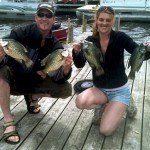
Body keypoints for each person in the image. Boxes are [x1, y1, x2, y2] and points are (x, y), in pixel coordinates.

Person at [0, 2, 73, 144]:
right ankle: (8, 121)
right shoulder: (18, 34)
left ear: (53, 20)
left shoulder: (56, 45)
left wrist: (65, 69)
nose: (44, 18)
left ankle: (33, 97)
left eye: (48, 15)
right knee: (0, 69)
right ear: (36, 17)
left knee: (66, 89)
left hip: (35, 82)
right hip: (14, 81)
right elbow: (4, 56)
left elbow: (57, 77)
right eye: (41, 14)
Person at [72, 6, 150, 136]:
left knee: (105, 130)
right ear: (96, 20)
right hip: (99, 88)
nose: (104, 23)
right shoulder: (90, 41)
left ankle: (125, 101)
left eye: (108, 20)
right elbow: (80, 63)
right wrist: (76, 52)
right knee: (80, 102)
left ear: (113, 21)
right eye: (101, 19)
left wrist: (148, 49)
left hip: (119, 90)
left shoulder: (120, 37)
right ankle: (107, 103)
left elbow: (137, 52)